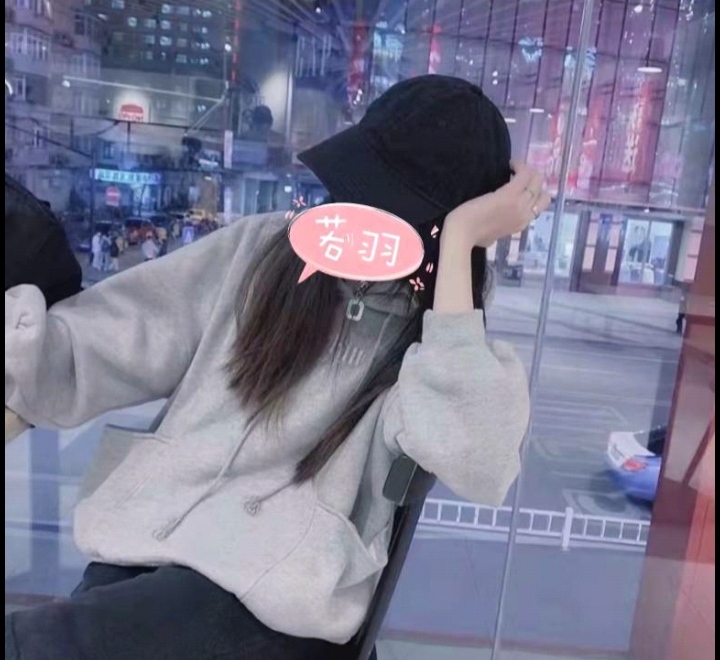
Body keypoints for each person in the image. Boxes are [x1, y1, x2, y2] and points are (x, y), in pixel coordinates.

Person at [5, 76, 550, 659]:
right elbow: (121, 333)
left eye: (391, 207)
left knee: (42, 644)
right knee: (75, 627)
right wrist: (27, 368)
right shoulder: (262, 250)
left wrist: (462, 244)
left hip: (278, 601)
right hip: (151, 542)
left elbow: (479, 461)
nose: (360, 215)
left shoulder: (437, 339)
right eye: (359, 189)